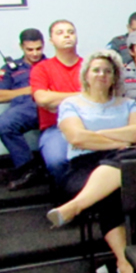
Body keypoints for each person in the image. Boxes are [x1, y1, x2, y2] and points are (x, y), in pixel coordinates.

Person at [46, 50, 136, 273]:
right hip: (84, 166)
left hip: (124, 160)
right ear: (86, 75)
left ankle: (75, 207)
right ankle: (125, 263)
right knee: (109, 194)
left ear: (115, 77)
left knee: (129, 159)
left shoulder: (128, 103)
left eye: (108, 71)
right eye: (96, 70)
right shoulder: (71, 103)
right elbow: (76, 138)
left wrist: (95, 135)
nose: (102, 74)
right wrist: (116, 139)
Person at [31, 20, 83, 185]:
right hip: (56, 129)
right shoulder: (42, 68)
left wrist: (56, 99)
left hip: (89, 125)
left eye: (70, 31)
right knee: (57, 161)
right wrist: (81, 96)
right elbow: (42, 99)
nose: (67, 35)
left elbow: (99, 98)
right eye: (60, 33)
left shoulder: (90, 66)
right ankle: (68, 200)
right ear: (51, 41)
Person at [0, 28, 45, 191]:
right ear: (21, 47)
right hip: (24, 108)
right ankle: (27, 169)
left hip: (48, 107)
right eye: (30, 49)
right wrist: (29, 89)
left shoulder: (51, 65)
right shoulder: (10, 68)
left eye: (38, 49)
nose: (35, 53)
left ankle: (29, 171)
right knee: (3, 125)